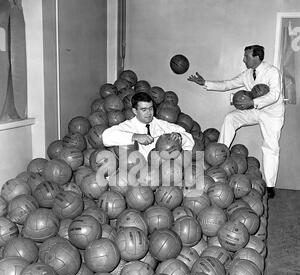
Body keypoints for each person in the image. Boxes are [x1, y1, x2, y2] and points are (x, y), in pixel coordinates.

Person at [187, 45, 285, 199]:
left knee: (270, 147)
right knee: (231, 118)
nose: (243, 59)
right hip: (254, 110)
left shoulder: (272, 72)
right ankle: (217, 157)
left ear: (256, 57)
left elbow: (274, 95)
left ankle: (270, 185)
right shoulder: (247, 74)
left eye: (246, 56)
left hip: (271, 114)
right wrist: (205, 82)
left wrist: (253, 103)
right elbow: (228, 84)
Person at [102, 92, 195, 160]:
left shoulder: (161, 124)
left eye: (150, 108)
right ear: (135, 111)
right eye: (144, 110)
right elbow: (106, 136)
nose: (149, 113)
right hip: (139, 171)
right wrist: (134, 137)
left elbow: (187, 136)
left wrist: (179, 136)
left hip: (163, 170)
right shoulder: (128, 126)